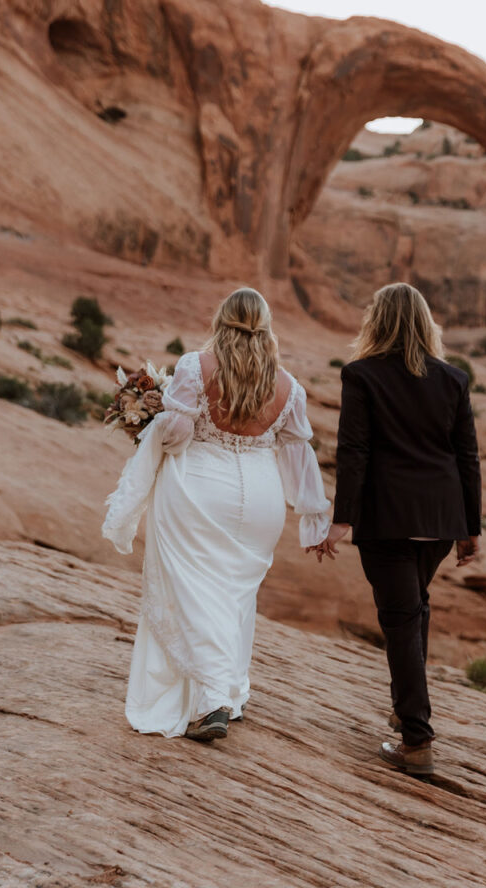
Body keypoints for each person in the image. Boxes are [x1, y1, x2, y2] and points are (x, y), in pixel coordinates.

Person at [102, 288, 331, 742]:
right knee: (234, 596)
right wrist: (313, 518)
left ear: (221, 321)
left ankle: (212, 701)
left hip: (201, 488)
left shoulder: (195, 366)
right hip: (261, 498)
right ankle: (230, 689)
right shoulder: (288, 387)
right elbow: (298, 456)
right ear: (266, 327)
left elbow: (181, 431)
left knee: (190, 589)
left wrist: (151, 429)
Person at [315, 283, 482, 777]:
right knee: (414, 608)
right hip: (439, 518)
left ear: (377, 321)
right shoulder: (453, 379)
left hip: (386, 518)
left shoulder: (361, 375)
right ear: (426, 323)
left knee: (402, 617)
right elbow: (467, 457)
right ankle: (404, 706)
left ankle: (416, 738)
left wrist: (342, 518)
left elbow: (354, 451)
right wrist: (470, 527)